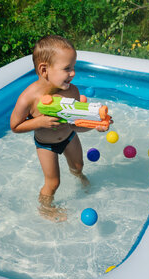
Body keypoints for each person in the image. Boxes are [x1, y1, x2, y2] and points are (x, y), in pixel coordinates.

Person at [10, 35, 110, 222]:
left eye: (73, 67)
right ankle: (45, 209)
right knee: (53, 182)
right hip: (45, 145)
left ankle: (79, 176)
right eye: (67, 69)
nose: (73, 73)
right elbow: (14, 126)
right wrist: (39, 122)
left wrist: (96, 124)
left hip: (69, 137)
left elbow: (75, 125)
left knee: (79, 166)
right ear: (44, 69)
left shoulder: (72, 92)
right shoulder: (28, 98)